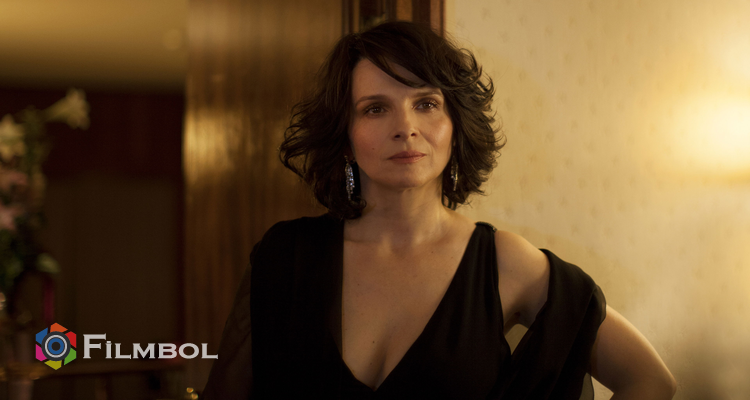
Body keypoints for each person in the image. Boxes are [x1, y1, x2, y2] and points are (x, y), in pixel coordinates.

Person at [203, 21, 676, 399]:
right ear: (344, 136)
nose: (405, 127)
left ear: (455, 125)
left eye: (426, 103)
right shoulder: (284, 257)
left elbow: (650, 379)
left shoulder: (506, 264)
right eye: (375, 109)